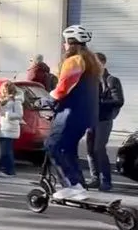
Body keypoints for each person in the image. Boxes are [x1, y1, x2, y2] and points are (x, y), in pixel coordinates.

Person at [46, 25, 101, 201]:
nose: (64, 45)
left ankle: (72, 185)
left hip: (70, 113)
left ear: (71, 43)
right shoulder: (93, 63)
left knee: (53, 145)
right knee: (68, 149)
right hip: (87, 115)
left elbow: (62, 89)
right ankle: (79, 185)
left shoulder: (74, 61)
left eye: (65, 42)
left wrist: (49, 98)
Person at [86, 51, 123, 192]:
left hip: (104, 119)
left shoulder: (111, 80)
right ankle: (95, 178)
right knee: (90, 150)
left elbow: (118, 100)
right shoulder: (91, 80)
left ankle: (106, 180)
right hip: (91, 119)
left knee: (99, 148)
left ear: (102, 63)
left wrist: (99, 102)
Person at [0, 81, 23, 177]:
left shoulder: (16, 100)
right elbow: (0, 112)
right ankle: (5, 169)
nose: (4, 91)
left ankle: (9, 171)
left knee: (6, 151)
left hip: (10, 128)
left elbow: (19, 115)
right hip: (2, 127)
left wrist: (7, 115)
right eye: (3, 89)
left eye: (6, 89)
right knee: (4, 150)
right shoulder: (2, 100)